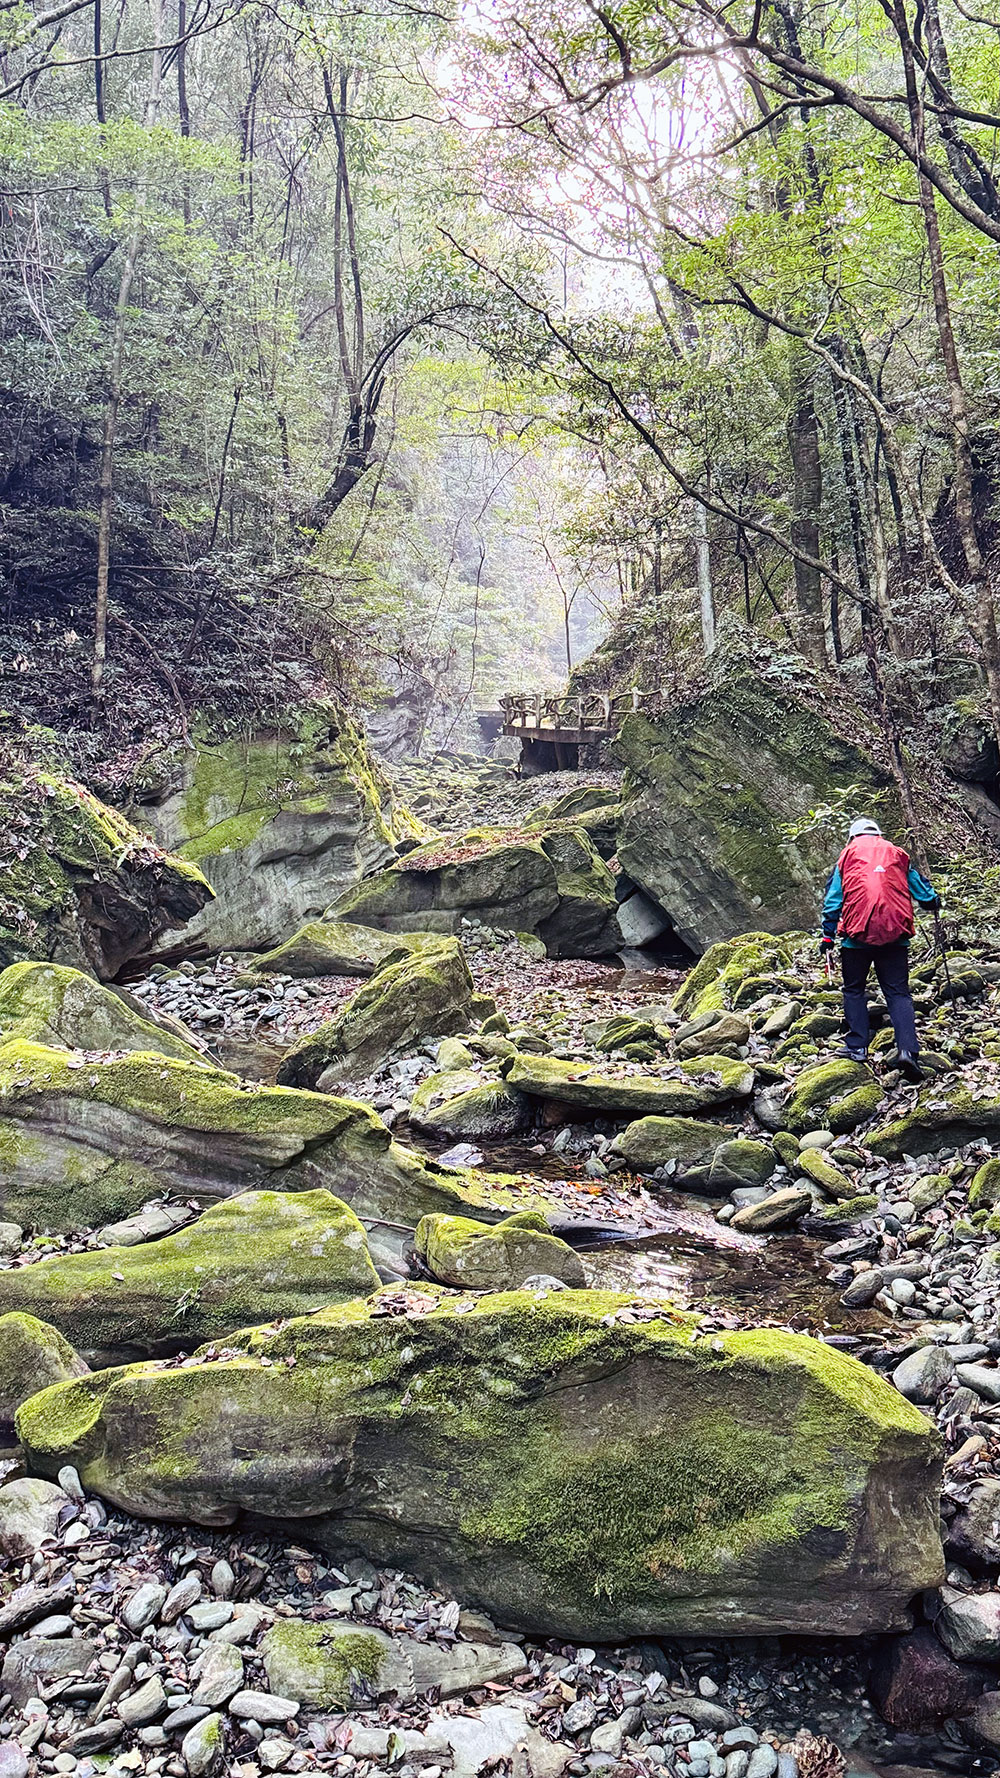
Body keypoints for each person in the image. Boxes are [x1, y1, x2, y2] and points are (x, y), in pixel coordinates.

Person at [821, 816, 940, 1083]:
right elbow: (922, 892)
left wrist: (827, 936)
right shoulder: (897, 853)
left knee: (854, 990)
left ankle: (857, 1047)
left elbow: (832, 902)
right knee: (898, 994)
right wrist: (933, 903)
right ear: (878, 834)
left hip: (856, 939)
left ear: (853, 837)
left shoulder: (847, 856)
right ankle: (908, 1051)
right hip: (895, 938)